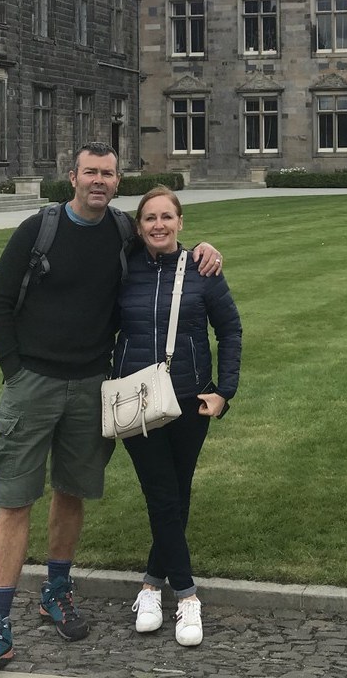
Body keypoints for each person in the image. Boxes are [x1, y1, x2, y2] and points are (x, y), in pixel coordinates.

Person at [0, 143, 222, 678]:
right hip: (33, 382)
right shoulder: (37, 230)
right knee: (15, 500)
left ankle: (56, 592)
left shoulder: (120, 233)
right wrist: (15, 370)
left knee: (71, 491)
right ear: (72, 177)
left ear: (117, 183)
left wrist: (206, 248)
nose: (99, 181)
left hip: (92, 384)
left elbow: (165, 239)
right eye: (90, 172)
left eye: (108, 174)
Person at [114, 186, 241, 647]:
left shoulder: (203, 269)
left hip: (189, 400)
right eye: (150, 218)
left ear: (181, 223)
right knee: (162, 494)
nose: (159, 225)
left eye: (167, 216)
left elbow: (229, 330)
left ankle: (151, 584)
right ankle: (186, 594)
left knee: (177, 492)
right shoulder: (123, 270)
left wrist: (224, 392)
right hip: (136, 401)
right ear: (139, 225)